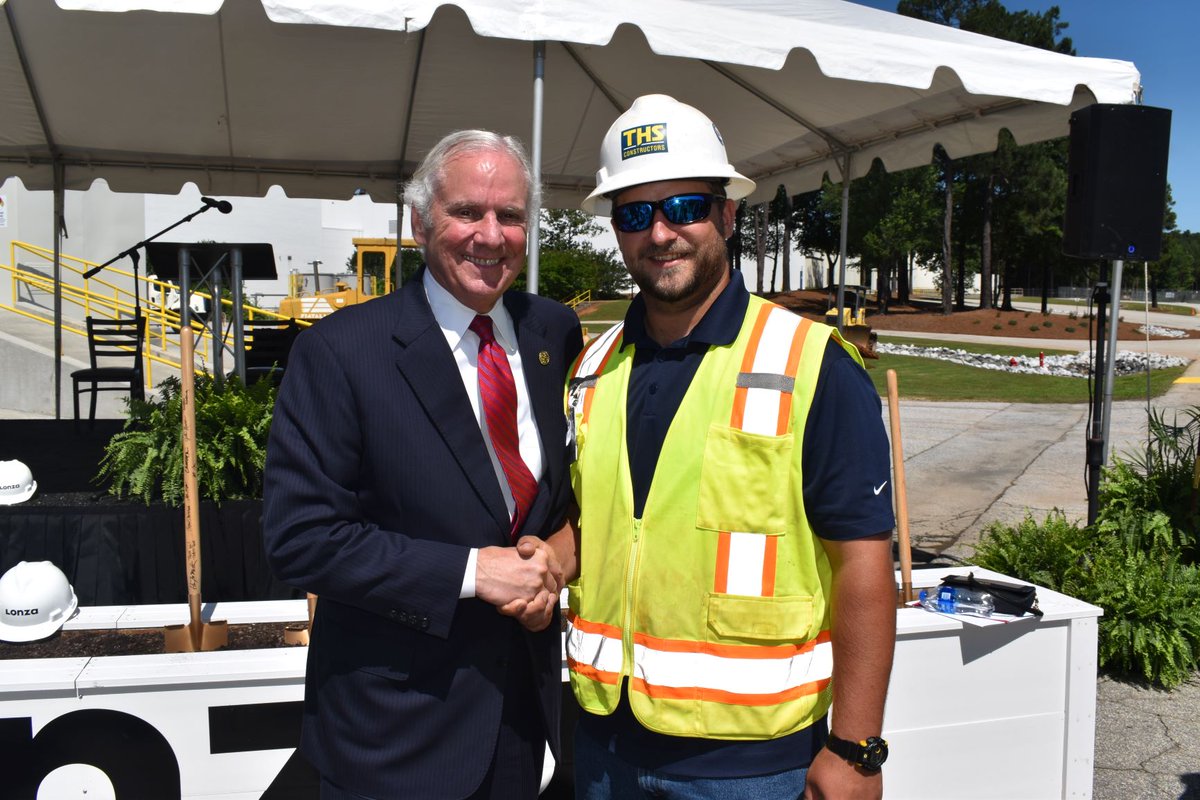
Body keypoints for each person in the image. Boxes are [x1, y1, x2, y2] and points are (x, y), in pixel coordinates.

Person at [555, 94, 897, 799]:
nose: (660, 233)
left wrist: (857, 749)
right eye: (634, 214)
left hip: (753, 765)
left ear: (728, 214)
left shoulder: (813, 364)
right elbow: (599, 527)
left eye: (683, 207)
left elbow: (863, 563)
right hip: (603, 747)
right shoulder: (592, 367)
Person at [263, 129, 583, 800]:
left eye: (510, 215)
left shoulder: (552, 331)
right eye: (467, 211)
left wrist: (552, 564)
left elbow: (563, 500)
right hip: (393, 739)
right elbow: (301, 538)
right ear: (419, 223)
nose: (491, 235)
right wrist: (473, 572)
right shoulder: (341, 352)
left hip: (521, 723)